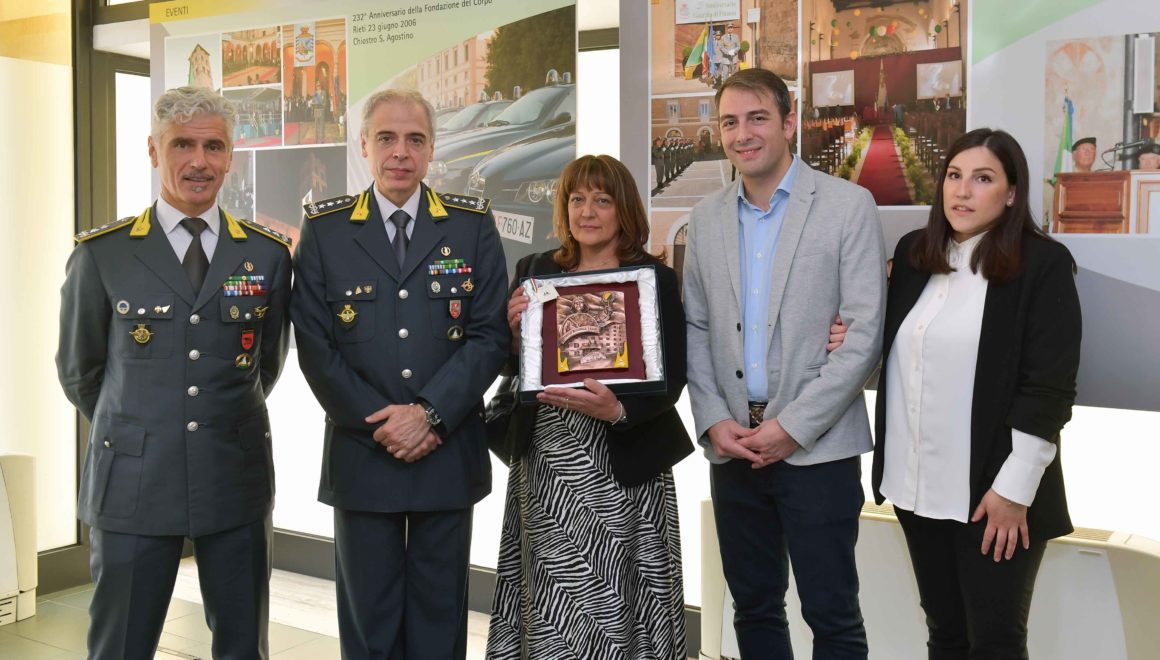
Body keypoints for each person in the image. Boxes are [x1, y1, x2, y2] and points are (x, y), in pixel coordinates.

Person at [56, 86, 292, 659]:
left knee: (243, 646)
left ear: (230, 156)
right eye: (182, 144)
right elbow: (80, 372)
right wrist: (144, 424)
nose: (199, 162)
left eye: (214, 147)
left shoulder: (266, 255)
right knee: (122, 645)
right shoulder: (103, 254)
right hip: (134, 479)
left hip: (232, 478)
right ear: (153, 151)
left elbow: (265, 364)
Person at [289, 88, 508, 659]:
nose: (400, 152)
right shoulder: (327, 229)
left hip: (446, 451)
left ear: (432, 148)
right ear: (364, 145)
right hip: (364, 454)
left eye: (415, 139)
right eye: (386, 138)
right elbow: (315, 346)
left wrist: (429, 416)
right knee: (370, 623)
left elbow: (489, 335)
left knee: (440, 620)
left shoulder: (470, 226)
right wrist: (387, 424)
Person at [683, 67, 886, 659]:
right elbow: (697, 328)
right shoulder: (706, 218)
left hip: (817, 449)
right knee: (753, 608)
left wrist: (792, 427)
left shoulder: (847, 206)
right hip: (734, 447)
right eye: (729, 122)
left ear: (789, 121)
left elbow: (863, 335)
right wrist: (712, 419)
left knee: (832, 615)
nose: (742, 134)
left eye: (757, 118)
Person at [872, 128, 1081, 659]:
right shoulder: (914, 254)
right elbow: (895, 345)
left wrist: (1014, 491)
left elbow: (1049, 389)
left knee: (995, 643)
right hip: (916, 487)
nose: (962, 191)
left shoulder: (1042, 264)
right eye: (954, 175)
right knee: (944, 635)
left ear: (1011, 194)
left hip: (995, 496)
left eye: (983, 179)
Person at [487, 155, 693, 659]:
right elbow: (513, 366)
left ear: (624, 210)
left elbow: (673, 376)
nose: (587, 212)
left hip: (625, 461)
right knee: (553, 590)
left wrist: (618, 412)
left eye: (602, 200)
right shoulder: (534, 271)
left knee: (620, 592)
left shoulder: (654, 279)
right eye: (577, 199)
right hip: (549, 462)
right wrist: (511, 335)